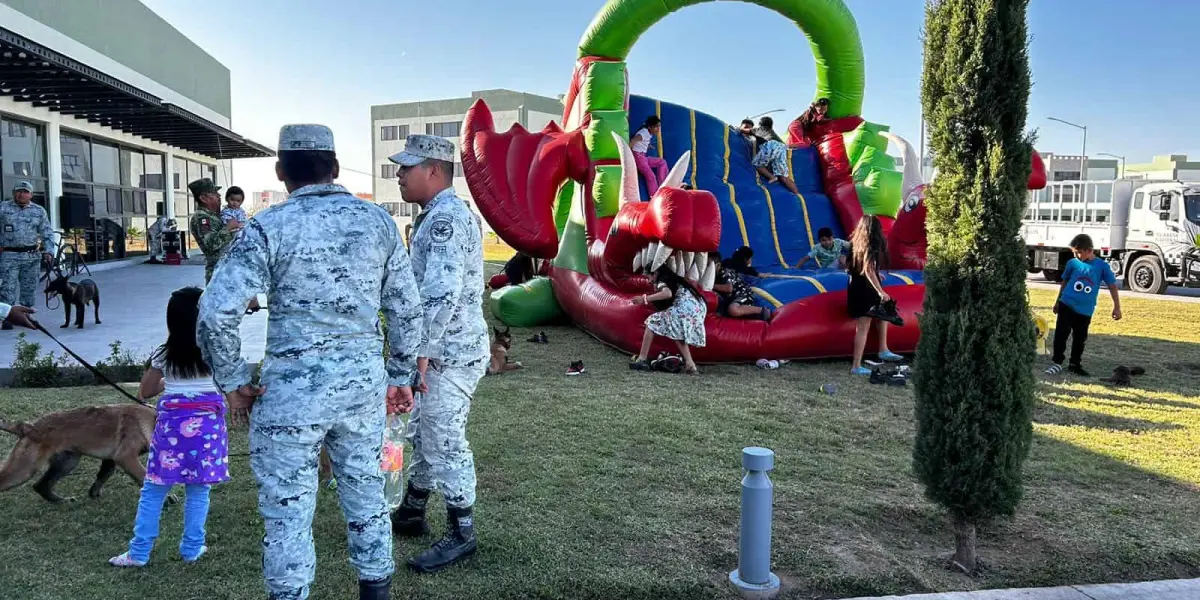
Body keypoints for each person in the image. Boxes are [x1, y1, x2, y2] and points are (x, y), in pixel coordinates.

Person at [197, 124, 423, 600]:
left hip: (291, 398)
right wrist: (401, 375)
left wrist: (234, 379)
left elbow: (216, 310)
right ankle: (376, 590)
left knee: (287, 511)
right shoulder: (379, 222)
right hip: (362, 390)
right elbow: (405, 306)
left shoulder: (266, 226)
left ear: (281, 172)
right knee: (366, 495)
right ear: (335, 168)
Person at [387, 133, 490, 573]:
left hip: (448, 354)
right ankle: (411, 509)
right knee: (426, 432)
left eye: (406, 168)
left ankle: (461, 532)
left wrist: (420, 356)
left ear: (433, 170)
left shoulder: (446, 218)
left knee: (445, 440)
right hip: (443, 350)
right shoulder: (438, 215)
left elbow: (439, 295)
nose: (399, 175)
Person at [109, 287, 229, 568]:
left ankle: (138, 553)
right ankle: (192, 548)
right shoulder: (216, 349)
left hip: (170, 431)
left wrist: (167, 383)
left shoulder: (165, 353)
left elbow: (146, 391)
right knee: (199, 491)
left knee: (153, 490)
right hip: (207, 431)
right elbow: (228, 383)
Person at [1046, 234, 1122, 376]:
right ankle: (1057, 361)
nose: (1076, 255)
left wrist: (1117, 307)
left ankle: (1075, 364)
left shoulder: (1102, 266)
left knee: (1080, 338)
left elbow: (1112, 286)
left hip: (1085, 310)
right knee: (1061, 334)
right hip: (1066, 304)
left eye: (1078, 252)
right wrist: (1058, 301)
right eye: (1074, 252)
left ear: (1089, 250)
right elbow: (1065, 282)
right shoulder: (1072, 264)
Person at [847, 215, 904, 374]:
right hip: (865, 290)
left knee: (882, 314)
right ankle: (856, 365)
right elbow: (869, 269)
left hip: (857, 287)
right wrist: (880, 290)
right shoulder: (870, 245)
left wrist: (878, 276)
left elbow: (852, 267)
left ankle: (883, 349)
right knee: (863, 326)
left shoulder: (855, 243)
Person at [629, 265, 707, 375]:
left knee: (652, 321)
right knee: (675, 330)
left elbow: (667, 293)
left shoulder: (662, 280)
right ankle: (690, 365)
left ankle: (642, 359)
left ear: (655, 273)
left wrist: (645, 299)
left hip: (684, 308)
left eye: (648, 277)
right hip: (697, 307)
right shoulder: (674, 279)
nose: (649, 281)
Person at [0, 180, 54, 330]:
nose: (21, 194)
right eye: (18, 191)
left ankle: (25, 313)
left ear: (31, 194)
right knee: (7, 288)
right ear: (13, 193)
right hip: (8, 255)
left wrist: (49, 251)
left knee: (29, 288)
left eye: (25, 191)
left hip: (31, 256)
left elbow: (47, 233)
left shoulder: (39, 211)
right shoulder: (3, 208)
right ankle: (7, 316)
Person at [187, 177, 241, 284]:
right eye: (215, 193)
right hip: (219, 274)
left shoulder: (217, 216)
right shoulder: (202, 218)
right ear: (204, 198)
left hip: (229, 271)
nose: (219, 196)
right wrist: (228, 228)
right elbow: (210, 244)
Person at [709, 251, 770, 320]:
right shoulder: (714, 274)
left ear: (718, 265)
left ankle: (761, 310)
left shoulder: (724, 272)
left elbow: (729, 288)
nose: (707, 268)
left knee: (733, 309)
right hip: (733, 297)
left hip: (743, 294)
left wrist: (712, 286)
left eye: (709, 265)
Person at [750, 121, 800, 195]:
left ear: (761, 125)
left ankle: (772, 177)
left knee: (757, 164)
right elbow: (786, 145)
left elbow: (746, 130)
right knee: (783, 176)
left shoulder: (759, 129)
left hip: (771, 145)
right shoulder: (773, 133)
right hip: (782, 147)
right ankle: (797, 194)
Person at [631, 115, 669, 196]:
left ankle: (664, 185)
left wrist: (648, 146)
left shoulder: (648, 133)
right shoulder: (644, 133)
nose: (658, 129)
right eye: (656, 127)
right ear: (650, 127)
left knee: (662, 162)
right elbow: (633, 141)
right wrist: (629, 155)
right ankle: (654, 196)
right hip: (638, 157)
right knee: (651, 177)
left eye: (659, 126)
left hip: (643, 157)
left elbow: (642, 142)